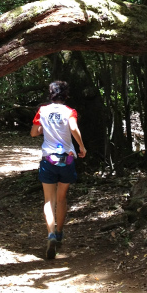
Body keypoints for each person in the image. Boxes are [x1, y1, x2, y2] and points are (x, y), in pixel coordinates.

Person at [31, 80, 86, 259]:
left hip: (49, 159)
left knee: (49, 200)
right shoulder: (70, 111)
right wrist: (82, 147)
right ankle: (60, 233)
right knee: (61, 199)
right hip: (67, 159)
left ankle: (51, 234)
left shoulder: (43, 110)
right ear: (66, 95)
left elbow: (34, 132)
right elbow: (73, 127)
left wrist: (44, 129)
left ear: (51, 94)